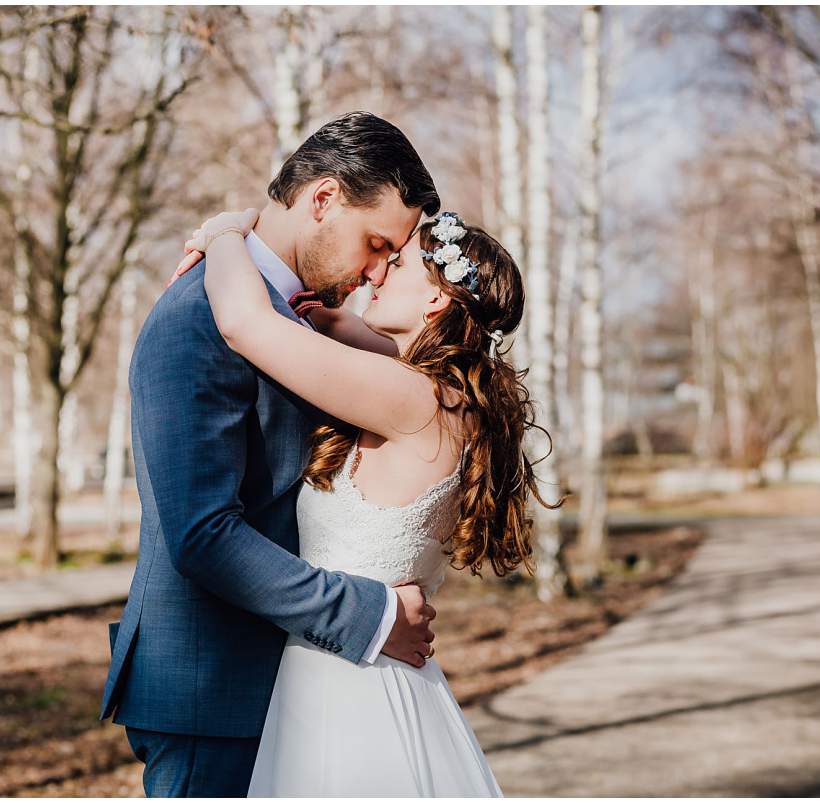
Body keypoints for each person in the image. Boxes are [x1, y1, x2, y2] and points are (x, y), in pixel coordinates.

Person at [99, 112, 444, 797]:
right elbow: (202, 534)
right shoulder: (197, 317)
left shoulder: (299, 319)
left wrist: (229, 229)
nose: (377, 274)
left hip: (296, 686)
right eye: (376, 243)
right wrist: (369, 614)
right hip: (214, 688)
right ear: (322, 200)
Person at [174, 203, 555, 796]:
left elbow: (244, 324)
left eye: (397, 262)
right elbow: (379, 355)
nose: (377, 272)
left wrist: (225, 233)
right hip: (375, 671)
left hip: (346, 684)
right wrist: (335, 323)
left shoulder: (416, 399)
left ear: (436, 300)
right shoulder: (454, 399)